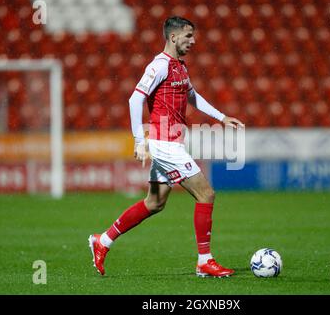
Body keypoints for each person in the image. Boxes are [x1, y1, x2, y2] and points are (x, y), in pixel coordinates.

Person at [89, 16, 244, 278]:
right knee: (206, 194)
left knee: (154, 202)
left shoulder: (179, 67)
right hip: (163, 143)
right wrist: (140, 141)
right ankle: (204, 261)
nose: (193, 41)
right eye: (188, 36)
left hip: (171, 141)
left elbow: (192, 96)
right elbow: (134, 100)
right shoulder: (159, 65)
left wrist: (221, 117)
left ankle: (102, 241)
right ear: (173, 37)